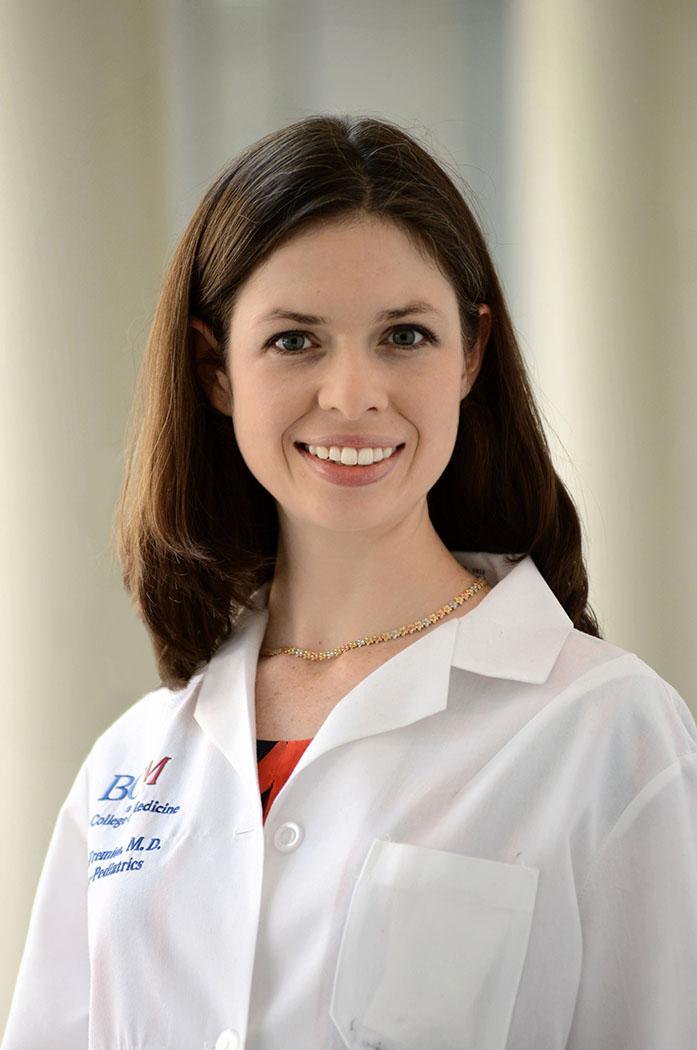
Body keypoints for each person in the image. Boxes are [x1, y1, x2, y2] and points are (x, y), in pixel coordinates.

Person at [2, 114, 696, 1050]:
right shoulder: (131, 765)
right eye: (295, 342)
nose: (352, 394)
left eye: (404, 335)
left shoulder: (606, 730)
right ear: (215, 370)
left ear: (471, 354)